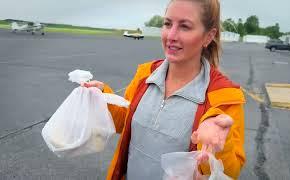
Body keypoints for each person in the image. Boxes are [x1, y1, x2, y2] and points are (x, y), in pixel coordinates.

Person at [82, 0, 246, 179]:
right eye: (168, 24)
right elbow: (125, 121)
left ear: (208, 36)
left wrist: (219, 146)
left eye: (185, 26)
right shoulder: (145, 75)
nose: (171, 35)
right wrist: (103, 99)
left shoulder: (224, 98)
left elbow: (231, 173)